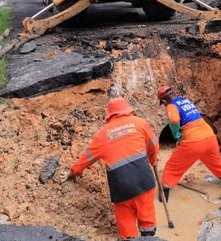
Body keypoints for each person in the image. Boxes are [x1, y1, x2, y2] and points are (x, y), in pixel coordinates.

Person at [67, 97, 159, 240]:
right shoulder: (140, 123)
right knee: (147, 218)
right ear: (128, 110)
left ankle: (129, 238)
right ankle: (149, 236)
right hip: (144, 181)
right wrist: (152, 161)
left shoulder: (102, 134)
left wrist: (73, 171)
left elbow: (87, 157)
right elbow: (153, 145)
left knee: (126, 223)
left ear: (110, 114)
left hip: (121, 187)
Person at [157, 85, 221, 201]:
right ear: (173, 93)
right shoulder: (185, 100)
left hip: (193, 142)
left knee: (172, 167)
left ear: (163, 101)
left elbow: (174, 120)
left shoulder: (171, 106)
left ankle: (163, 195)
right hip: (209, 137)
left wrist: (176, 134)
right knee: (215, 162)